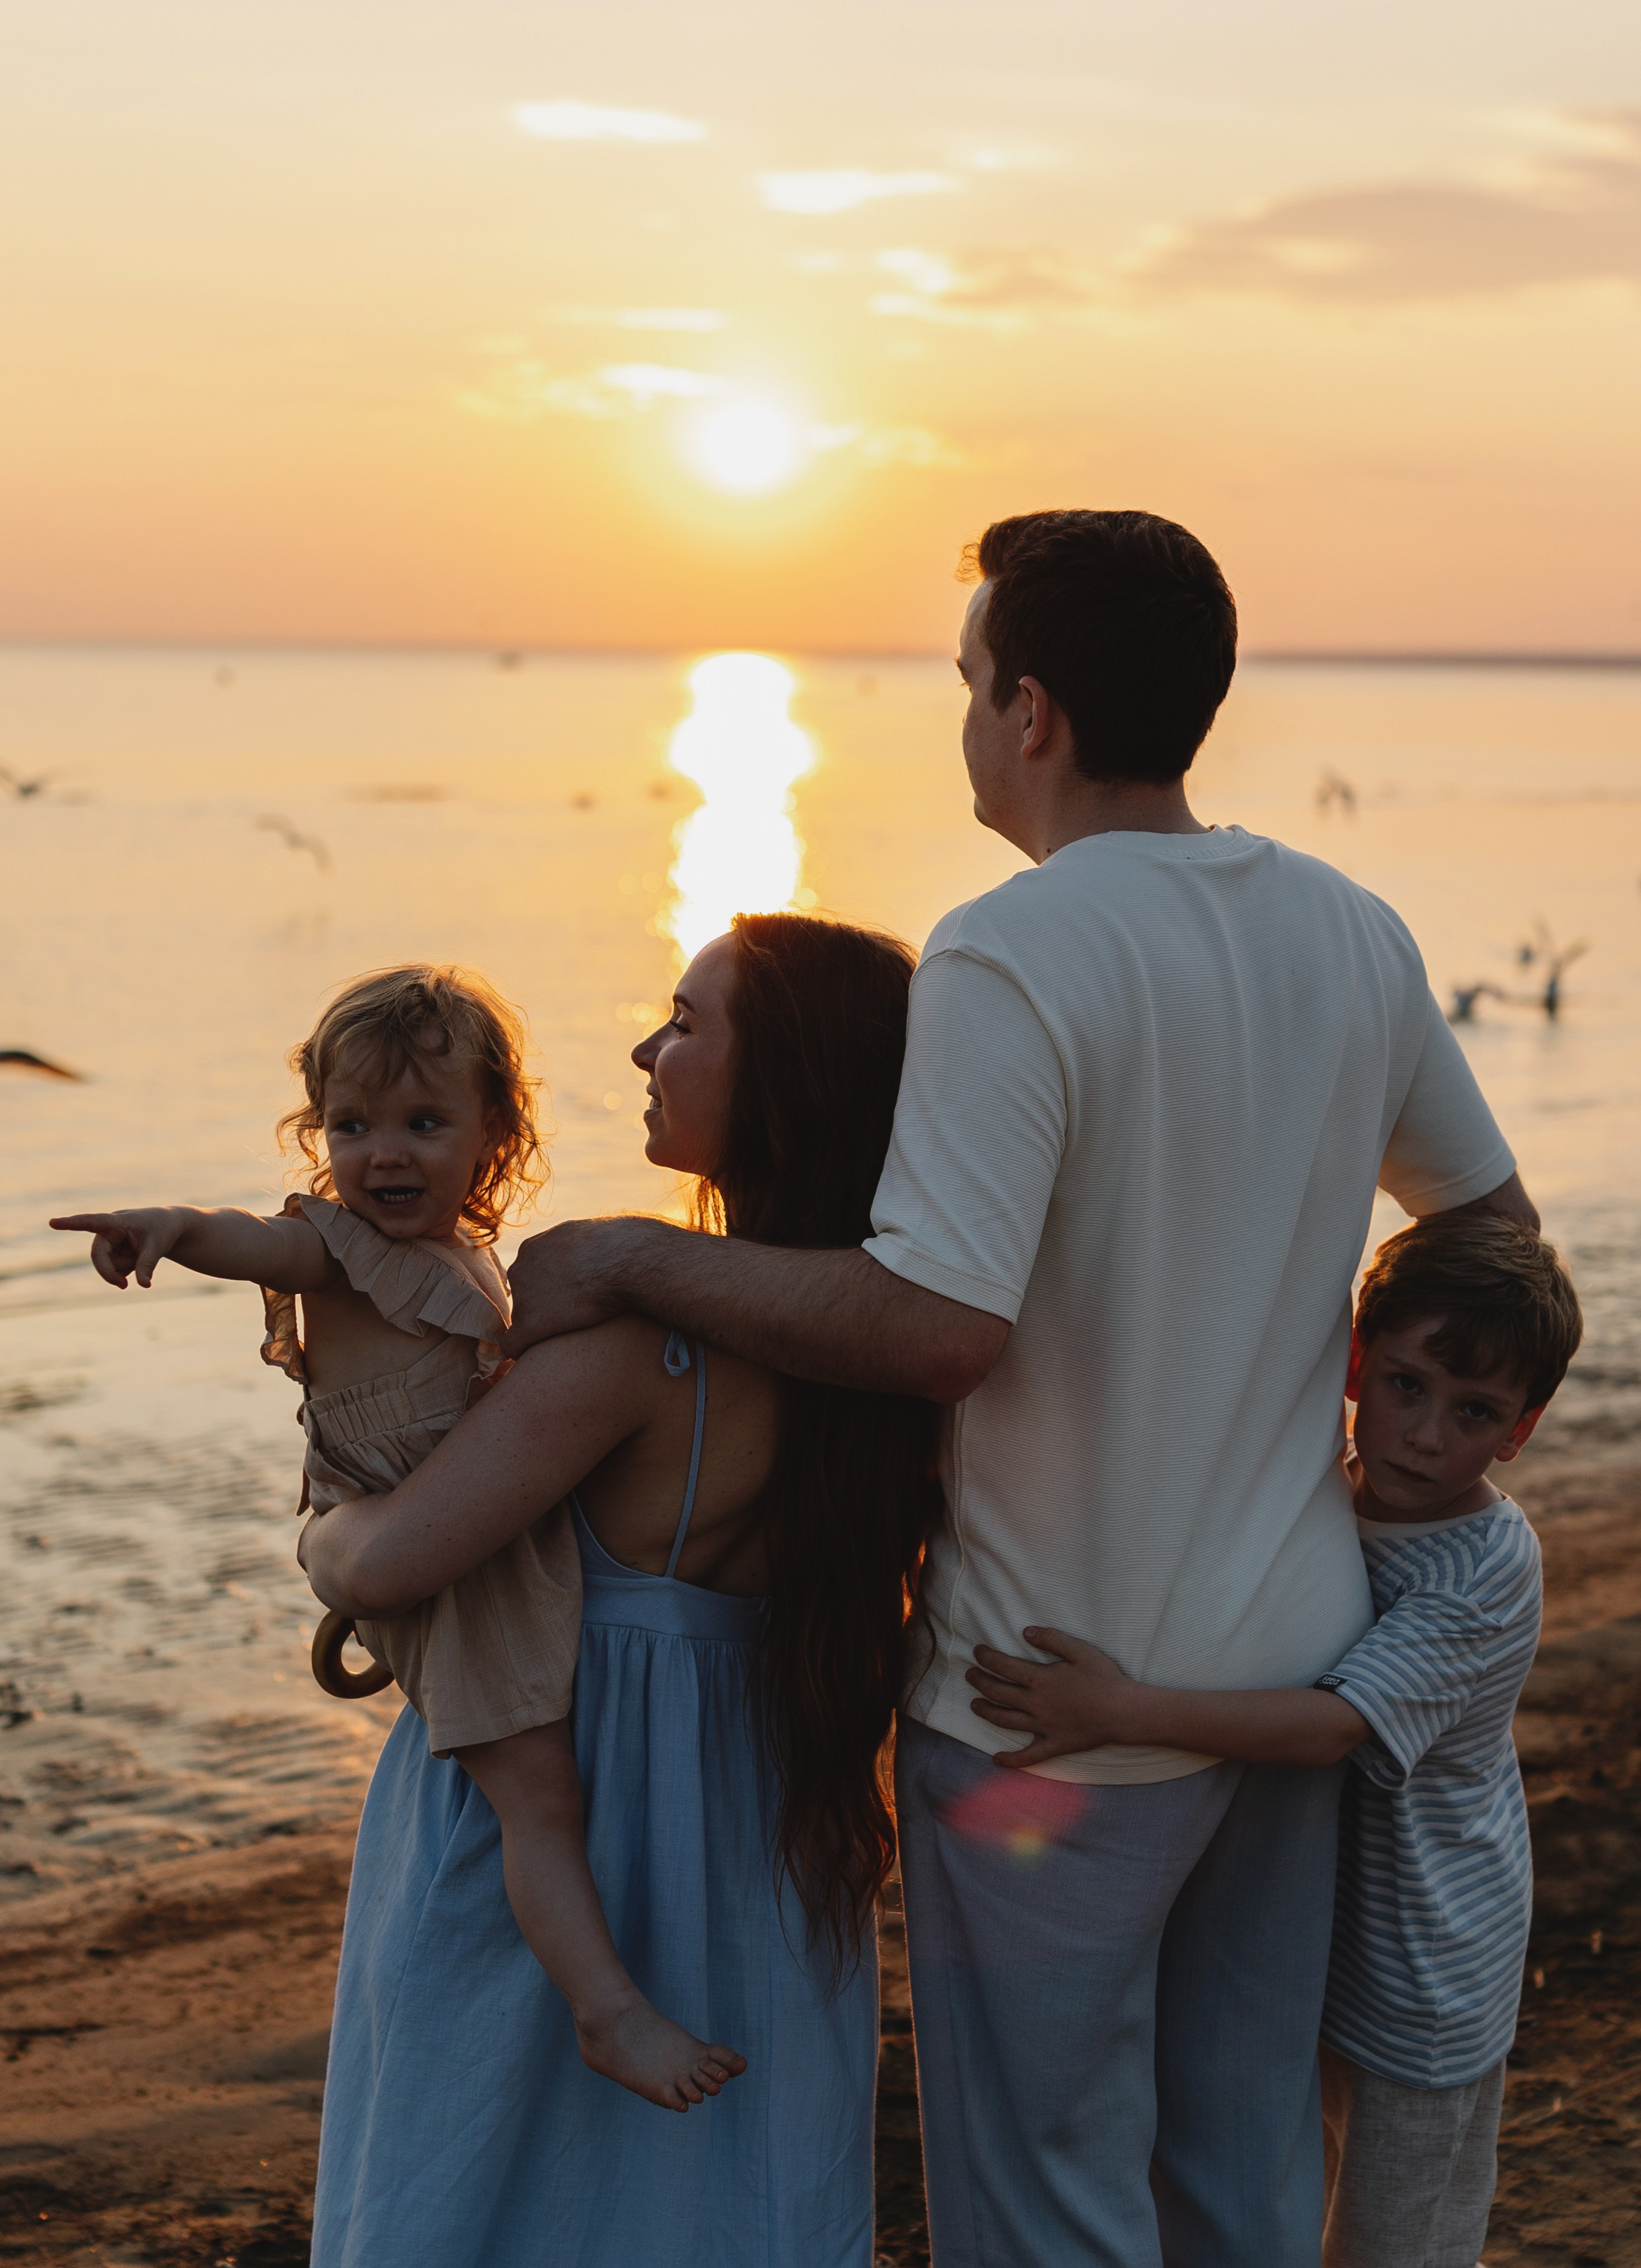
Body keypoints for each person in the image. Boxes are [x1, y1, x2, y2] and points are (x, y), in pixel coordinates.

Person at [496, 509, 1541, 2267]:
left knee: (1046, 2209)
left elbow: (931, 1328)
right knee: (1245, 2185)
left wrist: (632, 1257)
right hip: (1284, 1667)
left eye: (972, 681)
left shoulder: (1012, 947)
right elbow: (1494, 1227)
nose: (966, 716)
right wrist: (1356, 1399)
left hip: (1042, 1713)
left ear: (1033, 709)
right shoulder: (1347, 928)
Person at [297, 915, 938, 2268]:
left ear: (785, 1080)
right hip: (760, 1817)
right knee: (713, 2207)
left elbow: (391, 1560)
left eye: (689, 1022)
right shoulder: (889, 1351)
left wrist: (324, 1531)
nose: (648, 1047)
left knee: (479, 2189)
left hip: (549, 1823)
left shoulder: (641, 1356)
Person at [51, 962, 740, 2110]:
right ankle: (607, 2013)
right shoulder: (339, 1246)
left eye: (423, 1123)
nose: (383, 1155)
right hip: (445, 1571)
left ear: (493, 1133)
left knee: (557, 1776)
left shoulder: (460, 1254)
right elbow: (252, 1242)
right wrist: (169, 1224)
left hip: (475, 1541)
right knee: (537, 1793)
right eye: (351, 1123)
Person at [969, 1206, 1581, 2268]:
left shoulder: (1483, 1567)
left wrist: (1121, 1711)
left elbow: (1330, 1729)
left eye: (1474, 1411)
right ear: (1354, 1364)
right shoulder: (1325, 1495)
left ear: (1520, 1432)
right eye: (1406, 1386)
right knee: (1300, 2204)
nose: (1428, 1435)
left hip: (1427, 1982)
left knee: (1400, 2247)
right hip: (1320, 1957)